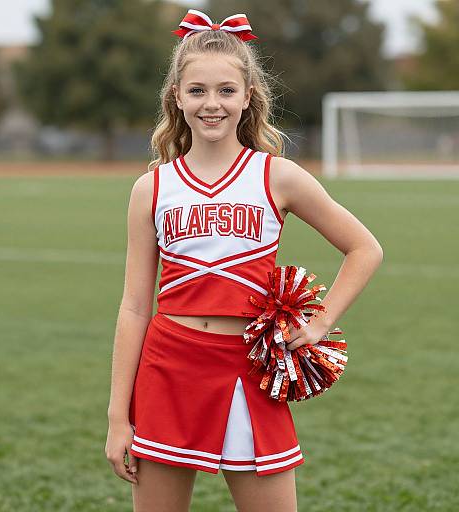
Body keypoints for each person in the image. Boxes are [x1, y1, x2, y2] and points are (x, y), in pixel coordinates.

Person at [105, 9, 383, 512]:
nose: (212, 104)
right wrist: (117, 419)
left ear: (248, 95)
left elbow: (365, 248)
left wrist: (320, 323)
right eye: (197, 91)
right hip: (168, 367)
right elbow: (133, 307)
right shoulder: (152, 188)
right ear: (176, 97)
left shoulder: (279, 176)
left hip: (250, 371)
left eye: (226, 91)